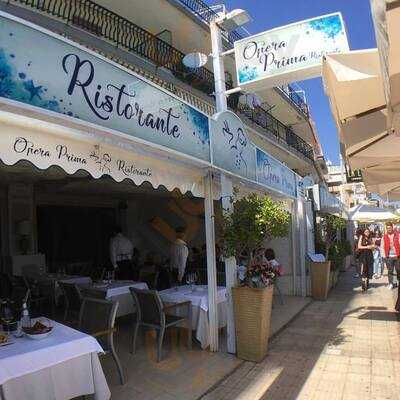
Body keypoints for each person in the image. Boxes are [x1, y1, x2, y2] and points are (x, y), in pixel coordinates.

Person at [380, 222, 400, 290]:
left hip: (397, 256)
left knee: (398, 270)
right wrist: (384, 256)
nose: (389, 229)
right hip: (388, 257)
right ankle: (391, 283)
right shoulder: (384, 237)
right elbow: (382, 247)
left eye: (390, 228)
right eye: (387, 228)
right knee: (390, 271)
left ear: (392, 227)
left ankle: (398, 281)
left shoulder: (398, 235)